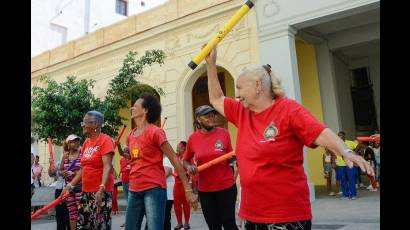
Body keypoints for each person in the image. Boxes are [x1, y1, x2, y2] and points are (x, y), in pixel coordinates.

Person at [204, 46, 373, 229]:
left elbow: (319, 132)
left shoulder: (289, 110)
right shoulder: (241, 113)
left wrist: (345, 151)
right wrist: (211, 65)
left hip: (286, 215)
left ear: (258, 86)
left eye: (239, 88)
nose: (236, 95)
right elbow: (216, 99)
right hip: (252, 214)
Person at [119, 93, 197, 230]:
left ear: (145, 110)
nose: (132, 108)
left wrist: (188, 189)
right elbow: (134, 159)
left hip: (153, 189)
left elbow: (174, 158)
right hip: (133, 188)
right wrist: (127, 155)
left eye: (136, 106)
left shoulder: (156, 132)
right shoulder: (130, 136)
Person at [183, 105, 238, 230]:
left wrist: (236, 157)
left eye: (212, 115)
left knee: (229, 223)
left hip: (226, 187)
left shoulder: (224, 133)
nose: (211, 117)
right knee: (213, 225)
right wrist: (189, 166)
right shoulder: (193, 139)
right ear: (198, 119)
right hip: (205, 190)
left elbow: (230, 157)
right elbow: (185, 160)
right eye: (207, 115)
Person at [60, 111, 115, 229]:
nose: (82, 125)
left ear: (95, 124)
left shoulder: (105, 140)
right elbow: (84, 168)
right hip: (86, 191)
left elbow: (107, 166)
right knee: (84, 225)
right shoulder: (86, 143)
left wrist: (101, 188)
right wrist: (70, 185)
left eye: (84, 122)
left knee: (100, 226)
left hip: (101, 192)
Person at [59, 134, 82, 230]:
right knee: (72, 213)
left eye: (77, 141)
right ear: (68, 144)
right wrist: (63, 173)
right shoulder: (65, 156)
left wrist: (75, 172)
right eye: (72, 141)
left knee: (81, 211)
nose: (76, 143)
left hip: (80, 187)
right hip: (68, 189)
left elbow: (85, 170)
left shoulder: (82, 155)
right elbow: (61, 170)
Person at [173, 141, 191, 230]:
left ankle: (187, 223)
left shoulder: (187, 158)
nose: (177, 148)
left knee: (186, 204)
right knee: (176, 204)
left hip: (184, 183)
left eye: (179, 147)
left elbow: (191, 169)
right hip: (176, 183)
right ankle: (179, 223)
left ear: (184, 148)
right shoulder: (176, 156)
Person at [49, 158, 71, 230]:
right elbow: (51, 174)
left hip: (69, 190)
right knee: (59, 214)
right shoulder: (58, 162)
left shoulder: (75, 160)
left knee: (69, 214)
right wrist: (51, 164)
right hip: (59, 190)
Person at [337, 131, 358, 200]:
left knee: (351, 179)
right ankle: (346, 195)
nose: (340, 136)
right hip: (340, 165)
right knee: (343, 180)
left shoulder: (350, 142)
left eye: (341, 135)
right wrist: (334, 162)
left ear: (344, 136)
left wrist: (355, 153)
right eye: (338, 135)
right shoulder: (336, 143)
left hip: (349, 164)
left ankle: (353, 194)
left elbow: (359, 145)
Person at [163, 153, 175, 230]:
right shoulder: (165, 159)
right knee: (165, 217)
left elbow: (167, 172)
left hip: (167, 193)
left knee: (165, 217)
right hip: (166, 192)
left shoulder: (166, 160)